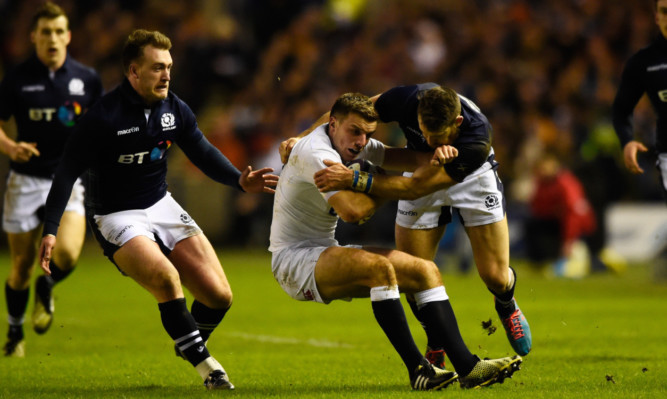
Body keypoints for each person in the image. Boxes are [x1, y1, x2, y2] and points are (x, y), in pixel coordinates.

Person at [38, 29, 278, 390]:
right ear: (133, 72)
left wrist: (238, 181)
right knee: (167, 279)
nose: (166, 75)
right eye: (156, 68)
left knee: (219, 296)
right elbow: (67, 172)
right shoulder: (102, 117)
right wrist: (52, 228)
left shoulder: (175, 108)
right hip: (116, 216)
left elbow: (202, 151)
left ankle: (189, 342)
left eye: (168, 67)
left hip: (160, 204)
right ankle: (207, 367)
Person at [270, 92, 522, 390]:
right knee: (380, 269)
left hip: (325, 250)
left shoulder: (353, 145)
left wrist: (439, 155)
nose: (361, 141)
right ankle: (419, 370)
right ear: (333, 124)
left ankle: (469, 368)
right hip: (295, 260)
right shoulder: (317, 153)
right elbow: (354, 211)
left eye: (368, 134)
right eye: (355, 131)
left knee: (425, 272)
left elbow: (406, 159)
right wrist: (378, 181)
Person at [0, 2, 103, 357]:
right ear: (34, 37)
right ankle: (15, 333)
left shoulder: (87, 79)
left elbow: (100, 126)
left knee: (69, 255)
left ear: (69, 36)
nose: (53, 39)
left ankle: (47, 286)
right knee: (21, 265)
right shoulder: (16, 78)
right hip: (25, 181)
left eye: (59, 31)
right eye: (46, 32)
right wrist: (12, 147)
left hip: (67, 179)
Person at [612, 0, 667, 204]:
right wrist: (627, 140)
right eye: (665, 11)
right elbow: (621, 109)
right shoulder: (644, 62)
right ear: (657, 17)